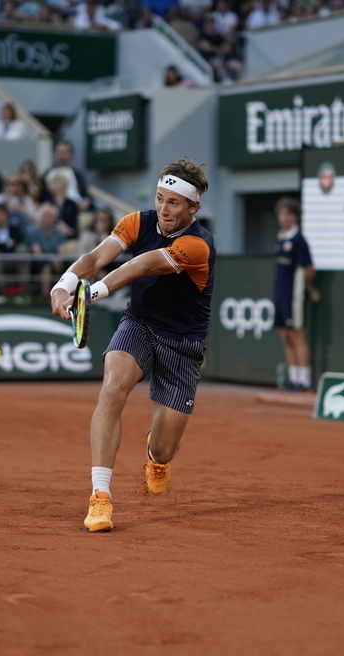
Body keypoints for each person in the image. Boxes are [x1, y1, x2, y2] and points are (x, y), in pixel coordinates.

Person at [48, 158, 215, 532]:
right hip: (138, 323)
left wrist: (89, 293)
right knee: (112, 390)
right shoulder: (137, 221)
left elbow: (139, 265)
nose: (163, 209)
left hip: (182, 342)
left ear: (193, 207)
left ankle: (156, 454)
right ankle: (100, 498)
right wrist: (64, 283)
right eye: (159, 198)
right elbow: (95, 257)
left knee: (163, 450)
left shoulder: (198, 246)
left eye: (173, 202)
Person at [271, 197, 317, 392]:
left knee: (298, 336)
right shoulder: (280, 237)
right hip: (279, 294)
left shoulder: (299, 240)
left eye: (289, 214)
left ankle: (304, 381)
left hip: (294, 295)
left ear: (296, 217)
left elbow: (309, 268)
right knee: (285, 336)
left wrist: (306, 286)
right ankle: (294, 378)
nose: (285, 217)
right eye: (282, 213)